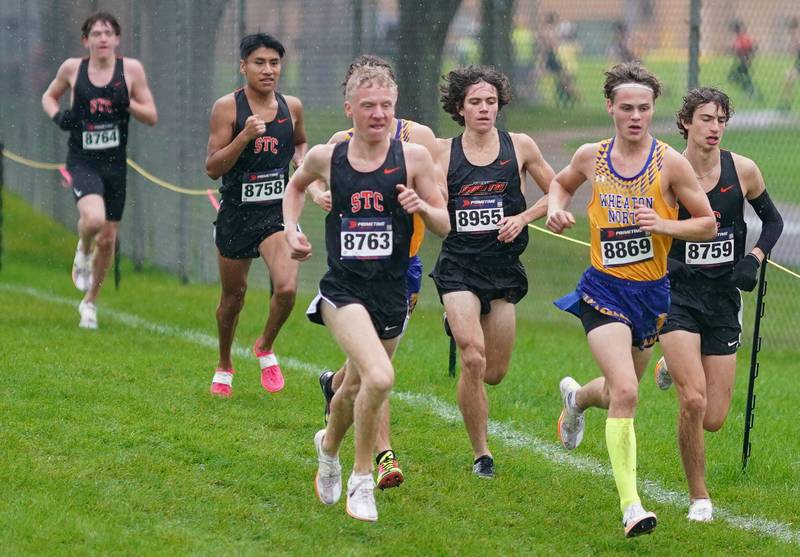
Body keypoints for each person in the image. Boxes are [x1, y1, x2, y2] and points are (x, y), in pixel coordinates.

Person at [547, 62, 716, 537]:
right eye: (627, 108)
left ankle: (577, 398)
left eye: (644, 108)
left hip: (652, 295)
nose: (636, 116)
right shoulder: (590, 156)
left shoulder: (670, 163)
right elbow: (561, 184)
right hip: (602, 290)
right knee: (626, 391)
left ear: (654, 110)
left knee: (618, 389)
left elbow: (706, 223)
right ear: (610, 108)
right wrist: (558, 209)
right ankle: (631, 507)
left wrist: (665, 225)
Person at [282, 65, 449, 521]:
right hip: (344, 289)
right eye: (369, 106)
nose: (378, 114)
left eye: (386, 106)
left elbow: (443, 222)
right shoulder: (328, 155)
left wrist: (422, 207)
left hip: (393, 291)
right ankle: (361, 478)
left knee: (354, 385)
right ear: (349, 109)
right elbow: (295, 188)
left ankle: (327, 447)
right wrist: (291, 229)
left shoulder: (413, 158)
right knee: (379, 377)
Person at [654, 87, 784, 522]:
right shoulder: (666, 170)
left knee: (712, 418)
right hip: (678, 294)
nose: (714, 128)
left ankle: (672, 364)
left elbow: (773, 220)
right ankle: (700, 497)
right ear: (686, 122)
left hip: (723, 299)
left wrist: (754, 258)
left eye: (721, 120)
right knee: (692, 401)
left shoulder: (742, 170)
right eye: (706, 119)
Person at [431, 65, 555, 478]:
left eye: (490, 101)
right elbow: (434, 209)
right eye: (475, 102)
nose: (484, 109)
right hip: (458, 268)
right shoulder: (442, 153)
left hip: (502, 270)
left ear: (499, 104)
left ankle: (473, 358)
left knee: (495, 372)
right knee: (472, 357)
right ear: (460, 108)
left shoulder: (519, 146)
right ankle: (481, 453)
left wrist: (523, 217)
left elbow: (558, 191)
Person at [204, 33, 307, 397]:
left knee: (288, 287)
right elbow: (213, 168)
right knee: (233, 298)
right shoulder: (228, 108)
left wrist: (302, 164)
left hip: (275, 213)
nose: (268, 70)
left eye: (274, 63)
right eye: (259, 63)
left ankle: (264, 345)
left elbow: (299, 143)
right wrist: (243, 137)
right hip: (236, 213)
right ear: (243, 66)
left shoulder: (291, 106)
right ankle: (224, 363)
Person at [41, 11, 157, 329]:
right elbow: (49, 97)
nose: (102, 38)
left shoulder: (130, 70)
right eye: (96, 33)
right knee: (93, 220)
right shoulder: (72, 68)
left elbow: (151, 115)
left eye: (108, 33)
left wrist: (127, 103)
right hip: (82, 160)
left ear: (117, 39)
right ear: (86, 40)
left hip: (115, 164)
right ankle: (83, 248)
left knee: (109, 239)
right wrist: (58, 117)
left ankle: (90, 303)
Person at [727, 19, 759, 99]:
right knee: (741, 76)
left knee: (735, 76)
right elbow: (735, 49)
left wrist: (748, 58)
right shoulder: (739, 37)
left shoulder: (743, 37)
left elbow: (751, 47)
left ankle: (751, 91)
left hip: (745, 61)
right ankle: (749, 91)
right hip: (742, 61)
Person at [779, 18, 800, 110]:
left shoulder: (797, 36)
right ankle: (786, 104)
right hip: (798, 63)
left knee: (788, 80)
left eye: (790, 28)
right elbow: (793, 51)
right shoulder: (794, 37)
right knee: (788, 80)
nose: (789, 31)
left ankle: (786, 104)